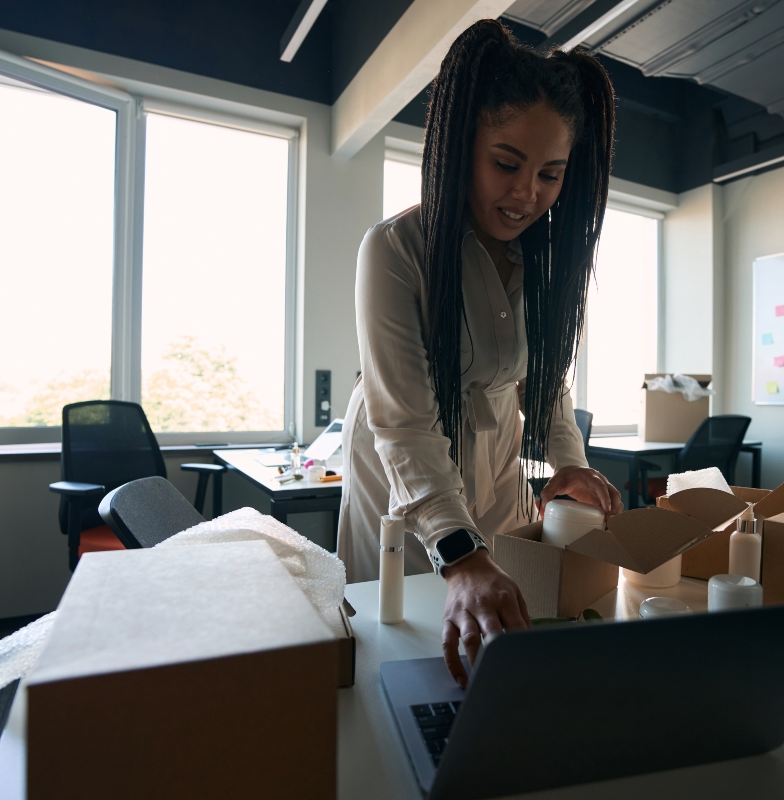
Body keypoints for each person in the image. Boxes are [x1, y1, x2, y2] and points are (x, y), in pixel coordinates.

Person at [336, 19, 624, 686]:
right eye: (506, 164)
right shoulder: (395, 251)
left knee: (493, 634)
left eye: (551, 174)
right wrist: (459, 552)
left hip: (494, 457)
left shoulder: (545, 264)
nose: (527, 194)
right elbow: (403, 422)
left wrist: (570, 463)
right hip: (400, 469)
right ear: (462, 145)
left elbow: (547, 382)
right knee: (399, 645)